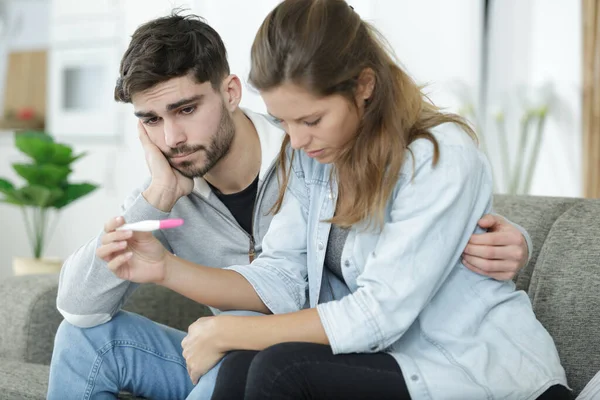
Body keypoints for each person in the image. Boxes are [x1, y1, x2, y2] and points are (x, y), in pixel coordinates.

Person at [48, 11, 534, 400]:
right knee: (85, 340)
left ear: (231, 93)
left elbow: (375, 299)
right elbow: (78, 306)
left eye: (187, 109)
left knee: (254, 351)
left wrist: (227, 332)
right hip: (246, 351)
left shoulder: (325, 146)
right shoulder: (310, 154)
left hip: (330, 353)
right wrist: (157, 220)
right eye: (151, 120)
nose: (172, 137)